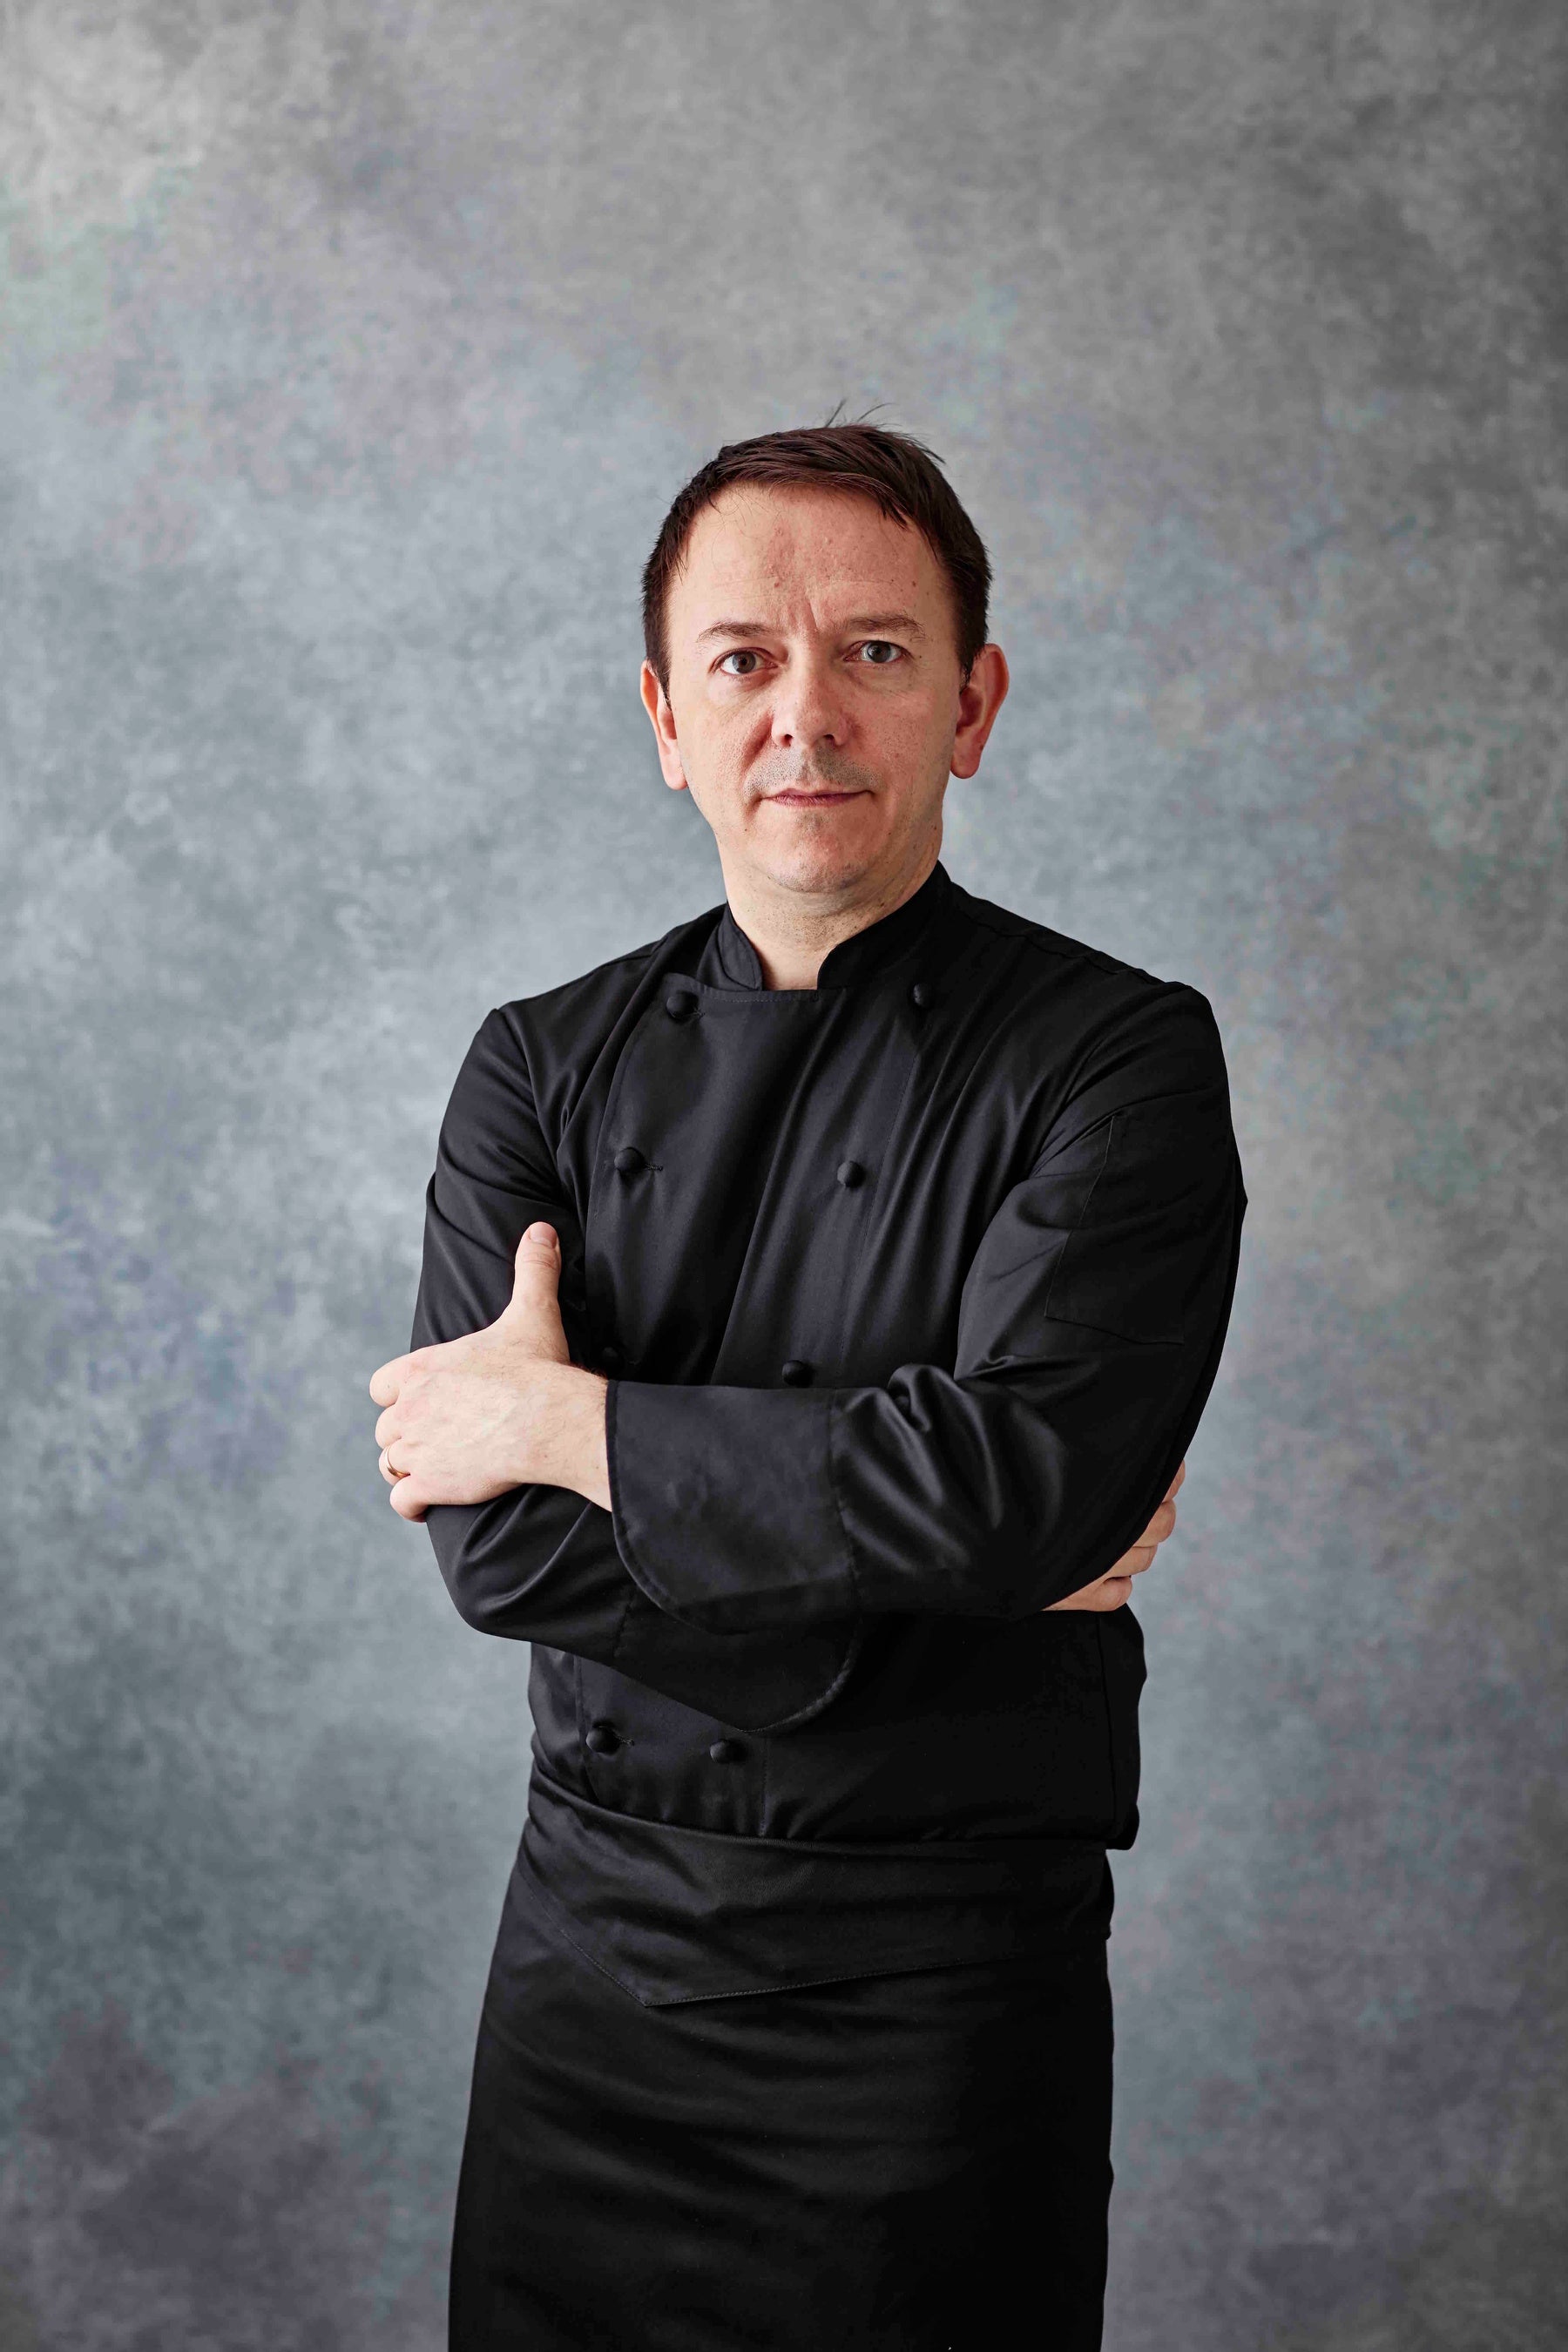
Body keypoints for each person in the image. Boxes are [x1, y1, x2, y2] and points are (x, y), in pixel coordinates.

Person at [368, 422, 1247, 2352]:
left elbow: (1025, 1490)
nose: (807, 714)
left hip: (937, 1999)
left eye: (876, 652)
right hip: (594, 1982)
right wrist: (950, 1562)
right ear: (668, 720)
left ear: (972, 704)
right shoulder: (536, 1066)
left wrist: (572, 1428)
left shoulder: (1118, 1060)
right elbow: (502, 1561)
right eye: (746, 660)